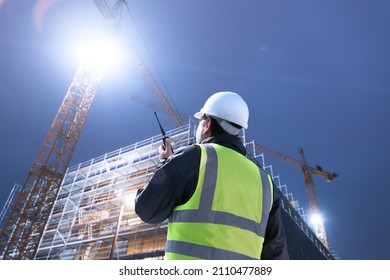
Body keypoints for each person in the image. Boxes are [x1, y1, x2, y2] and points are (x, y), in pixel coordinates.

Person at [135, 91, 289, 260]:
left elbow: (147, 210)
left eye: (199, 123)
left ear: (207, 124)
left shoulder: (194, 157)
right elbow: (277, 253)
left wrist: (165, 162)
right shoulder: (265, 183)